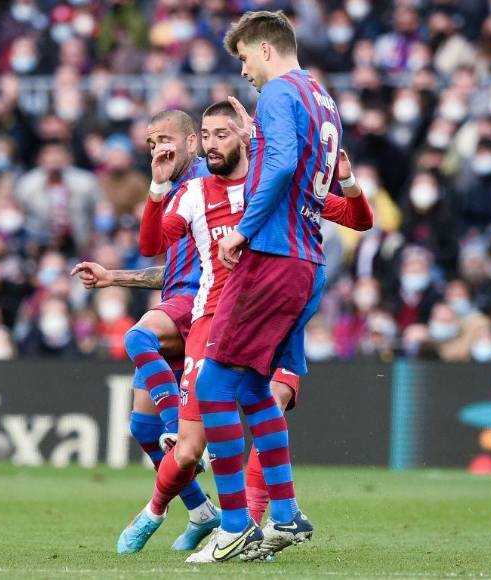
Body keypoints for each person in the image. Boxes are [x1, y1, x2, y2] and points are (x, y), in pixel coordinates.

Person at [79, 100, 371, 558]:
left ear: (245, 137)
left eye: (221, 134)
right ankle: (182, 513)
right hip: (213, 316)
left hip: (273, 308)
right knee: (192, 442)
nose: (212, 143)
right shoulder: (194, 194)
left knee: (268, 397)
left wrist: (348, 181)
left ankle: (248, 525)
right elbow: (151, 244)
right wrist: (156, 187)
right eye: (207, 135)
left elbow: (358, 219)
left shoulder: (276, 186)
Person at [188, 11, 347, 563]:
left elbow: (280, 166)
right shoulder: (322, 98)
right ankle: (285, 514)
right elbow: (295, 164)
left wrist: (243, 230)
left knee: (213, 385)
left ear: (264, 49)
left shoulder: (280, 91)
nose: (243, 71)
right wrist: (255, 134)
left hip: (272, 257)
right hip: (306, 262)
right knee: (256, 389)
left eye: (243, 58)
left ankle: (235, 525)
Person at [73, 109, 220, 553]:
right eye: (152, 142)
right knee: (140, 426)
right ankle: (201, 511)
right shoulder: (170, 191)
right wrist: (112, 277)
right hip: (177, 299)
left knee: (138, 337)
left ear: (192, 142)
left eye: (166, 139)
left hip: (202, 303)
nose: (158, 148)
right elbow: (166, 270)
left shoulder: (209, 180)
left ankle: (179, 430)